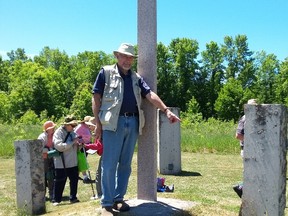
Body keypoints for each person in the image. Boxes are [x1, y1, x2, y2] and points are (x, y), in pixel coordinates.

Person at [91, 43, 181, 215]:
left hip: (132, 122)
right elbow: (96, 97)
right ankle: (107, 202)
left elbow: (150, 95)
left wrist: (166, 110)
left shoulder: (135, 78)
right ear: (117, 56)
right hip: (112, 123)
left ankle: (119, 199)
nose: (127, 60)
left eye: (130, 57)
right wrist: (97, 122)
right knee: (109, 164)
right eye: (124, 56)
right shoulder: (106, 72)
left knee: (125, 164)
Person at [52, 115, 82, 206]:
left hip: (73, 161)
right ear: (66, 125)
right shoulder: (58, 133)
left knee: (74, 180)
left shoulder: (72, 132)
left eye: (74, 125)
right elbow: (59, 146)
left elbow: (77, 141)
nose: (74, 127)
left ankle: (73, 198)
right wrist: (72, 142)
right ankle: (56, 199)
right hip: (62, 162)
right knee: (60, 180)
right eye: (72, 125)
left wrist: (80, 144)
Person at [233, 98, 257, 198]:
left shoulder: (257, 117)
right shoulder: (245, 118)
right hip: (247, 150)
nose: (254, 109)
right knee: (250, 172)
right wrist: (253, 140)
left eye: (255, 107)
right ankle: (241, 188)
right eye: (251, 107)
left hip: (255, 150)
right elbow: (238, 135)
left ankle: (246, 190)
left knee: (255, 172)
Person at [84, 117, 103, 199]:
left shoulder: (99, 133)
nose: (89, 127)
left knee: (99, 175)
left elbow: (98, 145)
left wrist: (86, 146)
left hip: (105, 156)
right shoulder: (100, 132)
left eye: (90, 125)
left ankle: (99, 194)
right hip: (105, 155)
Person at [37, 120, 56, 201]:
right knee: (43, 177)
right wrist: (50, 149)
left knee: (52, 176)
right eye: (52, 128)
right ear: (47, 129)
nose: (54, 129)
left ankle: (52, 193)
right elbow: (39, 148)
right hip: (43, 159)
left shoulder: (54, 135)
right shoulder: (42, 137)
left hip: (52, 158)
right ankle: (42, 195)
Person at [74, 115, 95, 184]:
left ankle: (78, 176)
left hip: (86, 145)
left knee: (83, 161)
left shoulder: (87, 127)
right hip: (81, 146)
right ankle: (85, 177)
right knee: (83, 161)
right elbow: (75, 135)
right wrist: (80, 141)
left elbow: (87, 135)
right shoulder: (80, 127)